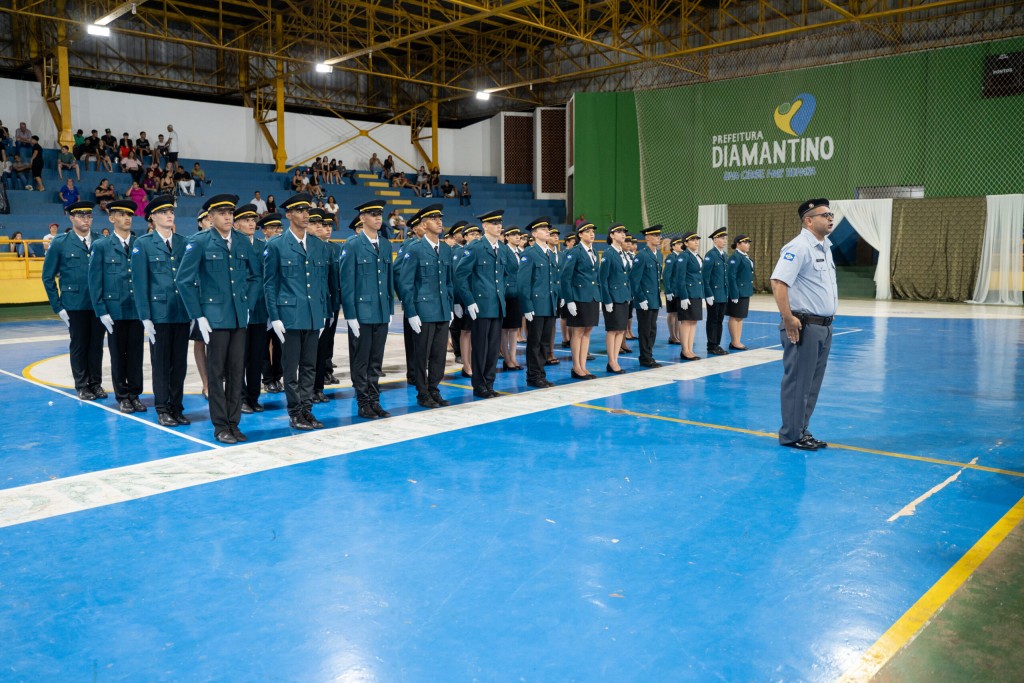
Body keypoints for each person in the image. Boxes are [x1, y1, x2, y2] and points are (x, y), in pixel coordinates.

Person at [177, 195, 260, 445]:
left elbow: (255, 276)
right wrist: (197, 315)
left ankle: (234, 423)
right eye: (222, 213)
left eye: (230, 213)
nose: (227, 217)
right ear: (211, 217)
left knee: (236, 371)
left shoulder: (242, 241)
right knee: (216, 374)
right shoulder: (200, 241)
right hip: (214, 318)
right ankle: (220, 426)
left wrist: (248, 305)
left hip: (238, 316)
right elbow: (184, 280)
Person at [771, 198, 838, 451]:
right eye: (824, 215)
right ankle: (791, 434)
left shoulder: (825, 248)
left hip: (824, 326)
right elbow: (779, 282)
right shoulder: (798, 247)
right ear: (808, 221)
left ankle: (801, 429)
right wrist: (788, 318)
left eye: (831, 214)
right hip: (804, 326)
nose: (830, 218)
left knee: (811, 385)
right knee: (798, 383)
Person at [264, 193, 331, 430]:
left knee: (310, 366)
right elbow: (270, 284)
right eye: (300, 211)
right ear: (289, 215)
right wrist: (275, 317)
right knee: (291, 368)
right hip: (290, 316)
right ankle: (295, 413)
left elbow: (321, 281)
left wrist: (323, 313)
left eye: (307, 211)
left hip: (312, 315)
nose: (305, 215)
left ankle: (306, 410)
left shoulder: (317, 245)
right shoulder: (276, 245)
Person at [131, 195, 192, 427]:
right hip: (159, 314)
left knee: (180, 364)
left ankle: (177, 407)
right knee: (161, 364)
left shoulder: (184, 242)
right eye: (164, 212)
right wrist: (145, 316)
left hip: (181, 312)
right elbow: (140, 283)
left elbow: (190, 278)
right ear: (152, 217)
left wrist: (193, 311)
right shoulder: (144, 244)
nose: (169, 215)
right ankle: (163, 408)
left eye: (171, 212)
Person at [41, 201, 108, 400]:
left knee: (96, 345)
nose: (86, 220)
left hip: (98, 304)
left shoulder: (101, 241)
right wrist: (57, 306)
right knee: (79, 344)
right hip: (74, 304)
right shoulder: (60, 243)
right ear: (71, 218)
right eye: (81, 216)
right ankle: (82, 385)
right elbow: (47, 276)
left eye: (89, 216)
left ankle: (95, 383)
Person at [88, 199, 146, 413]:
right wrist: (101, 310)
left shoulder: (140, 244)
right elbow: (94, 281)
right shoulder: (101, 246)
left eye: (129, 214)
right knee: (118, 355)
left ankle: (135, 394)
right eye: (121, 214)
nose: (127, 218)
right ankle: (122, 396)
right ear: (111, 218)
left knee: (136, 355)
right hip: (114, 311)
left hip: (136, 309)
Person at [339, 200, 394, 419]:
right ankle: (363, 402)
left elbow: (388, 279)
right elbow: (347, 282)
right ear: (362, 218)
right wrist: (350, 314)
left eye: (380, 213)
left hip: (381, 311)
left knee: (376, 361)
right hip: (362, 312)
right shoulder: (352, 244)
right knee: (361, 360)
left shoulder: (386, 245)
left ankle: (374, 400)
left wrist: (389, 309)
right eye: (372, 214)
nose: (378, 217)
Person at [397, 204, 454, 408]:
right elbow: (406, 283)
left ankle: (434, 389)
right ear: (423, 224)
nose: (439, 222)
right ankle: (423, 393)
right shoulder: (415, 249)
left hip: (442, 309)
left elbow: (449, 281)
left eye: (440, 218)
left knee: (439, 354)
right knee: (422, 355)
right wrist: (411, 312)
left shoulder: (446, 249)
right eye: (433, 219)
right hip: (423, 311)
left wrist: (450, 306)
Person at [454, 208, 507, 399]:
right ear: (485, 226)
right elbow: (460, 276)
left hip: (497, 305)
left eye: (500, 223)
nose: (499, 226)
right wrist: (469, 301)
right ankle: (479, 385)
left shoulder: (502, 248)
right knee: (480, 348)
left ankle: (489, 383)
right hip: (481, 306)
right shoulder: (475, 247)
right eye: (494, 223)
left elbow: (506, 274)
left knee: (493, 349)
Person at [517, 217, 561, 387]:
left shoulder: (549, 253)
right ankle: (533, 376)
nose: (547, 231)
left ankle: (541, 374)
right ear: (534, 234)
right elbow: (523, 282)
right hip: (536, 305)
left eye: (547, 229)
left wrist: (558, 297)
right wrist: (527, 306)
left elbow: (554, 279)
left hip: (549, 304)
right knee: (534, 343)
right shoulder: (529, 253)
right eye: (543, 229)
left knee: (545, 342)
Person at [306, 209, 341, 405]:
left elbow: (332, 281)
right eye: (314, 223)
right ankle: (307, 389)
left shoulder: (327, 249)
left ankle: (318, 387)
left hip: (325, 305)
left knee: (322, 349)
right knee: (307, 353)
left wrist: (333, 307)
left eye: (320, 223)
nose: (319, 227)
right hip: (307, 306)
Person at [560, 221, 601, 379]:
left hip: (592, 296)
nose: (591, 234)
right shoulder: (575, 251)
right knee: (577, 332)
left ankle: (583, 365)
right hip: (578, 297)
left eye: (592, 231)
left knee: (587, 331)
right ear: (580, 234)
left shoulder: (594, 251)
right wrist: (569, 299)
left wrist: (599, 296)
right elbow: (566, 277)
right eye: (588, 231)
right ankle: (576, 367)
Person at [239, 211, 270, 413]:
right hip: (240, 308)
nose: (251, 224)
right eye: (246, 220)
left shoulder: (262, 246)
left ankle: (253, 396)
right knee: (239, 358)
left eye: (253, 220)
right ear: (237, 224)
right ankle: (241, 397)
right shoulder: (234, 245)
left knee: (256, 357)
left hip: (259, 309)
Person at [628, 225, 664, 368]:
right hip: (644, 299)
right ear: (647, 237)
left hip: (654, 299)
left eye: (659, 235)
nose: (658, 238)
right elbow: (634, 279)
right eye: (655, 235)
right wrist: (640, 298)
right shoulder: (642, 255)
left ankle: (649, 355)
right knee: (645, 329)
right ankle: (644, 357)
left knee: (652, 329)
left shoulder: (659, 255)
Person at [599, 224, 632, 374]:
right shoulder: (608, 253)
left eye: (624, 232)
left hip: (623, 296)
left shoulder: (623, 253)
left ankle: (615, 359)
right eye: (619, 232)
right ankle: (611, 361)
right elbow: (603, 278)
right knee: (613, 330)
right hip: (612, 296)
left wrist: (628, 294)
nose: (623, 234)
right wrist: (607, 300)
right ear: (612, 235)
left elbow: (626, 276)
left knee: (621, 330)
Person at [672, 231, 705, 361]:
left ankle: (690, 349)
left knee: (693, 321)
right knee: (686, 322)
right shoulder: (684, 256)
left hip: (696, 292)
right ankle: (685, 350)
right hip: (688, 293)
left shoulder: (696, 256)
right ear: (685, 243)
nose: (696, 242)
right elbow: (680, 278)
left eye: (697, 240)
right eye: (693, 240)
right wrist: (684, 296)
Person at [703, 226, 731, 356]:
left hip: (722, 294)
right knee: (712, 320)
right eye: (722, 238)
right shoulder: (711, 255)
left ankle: (717, 344)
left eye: (725, 238)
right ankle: (711, 345)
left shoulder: (724, 255)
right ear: (715, 240)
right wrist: (708, 294)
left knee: (719, 320)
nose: (725, 241)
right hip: (713, 294)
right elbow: (705, 276)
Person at [499, 227, 524, 372]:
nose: (517, 237)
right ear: (507, 237)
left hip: (518, 293)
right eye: (513, 235)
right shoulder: (504, 251)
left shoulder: (519, 252)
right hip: (507, 293)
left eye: (518, 234)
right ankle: (507, 357)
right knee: (505, 328)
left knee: (514, 327)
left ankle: (513, 356)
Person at [727, 235, 754, 350]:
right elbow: (731, 276)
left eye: (748, 242)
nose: (748, 244)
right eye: (745, 242)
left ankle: (737, 340)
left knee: (740, 317)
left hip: (744, 291)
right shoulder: (735, 257)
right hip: (738, 291)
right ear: (738, 244)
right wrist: (734, 293)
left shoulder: (744, 256)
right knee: (735, 316)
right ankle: (734, 341)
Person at [663, 237, 685, 345]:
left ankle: (676, 336)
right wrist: (668, 290)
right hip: (672, 290)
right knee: (672, 313)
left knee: (677, 314)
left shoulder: (681, 257)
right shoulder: (671, 257)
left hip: (679, 291)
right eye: (678, 244)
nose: (681, 245)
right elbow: (666, 275)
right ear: (673, 246)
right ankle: (672, 336)